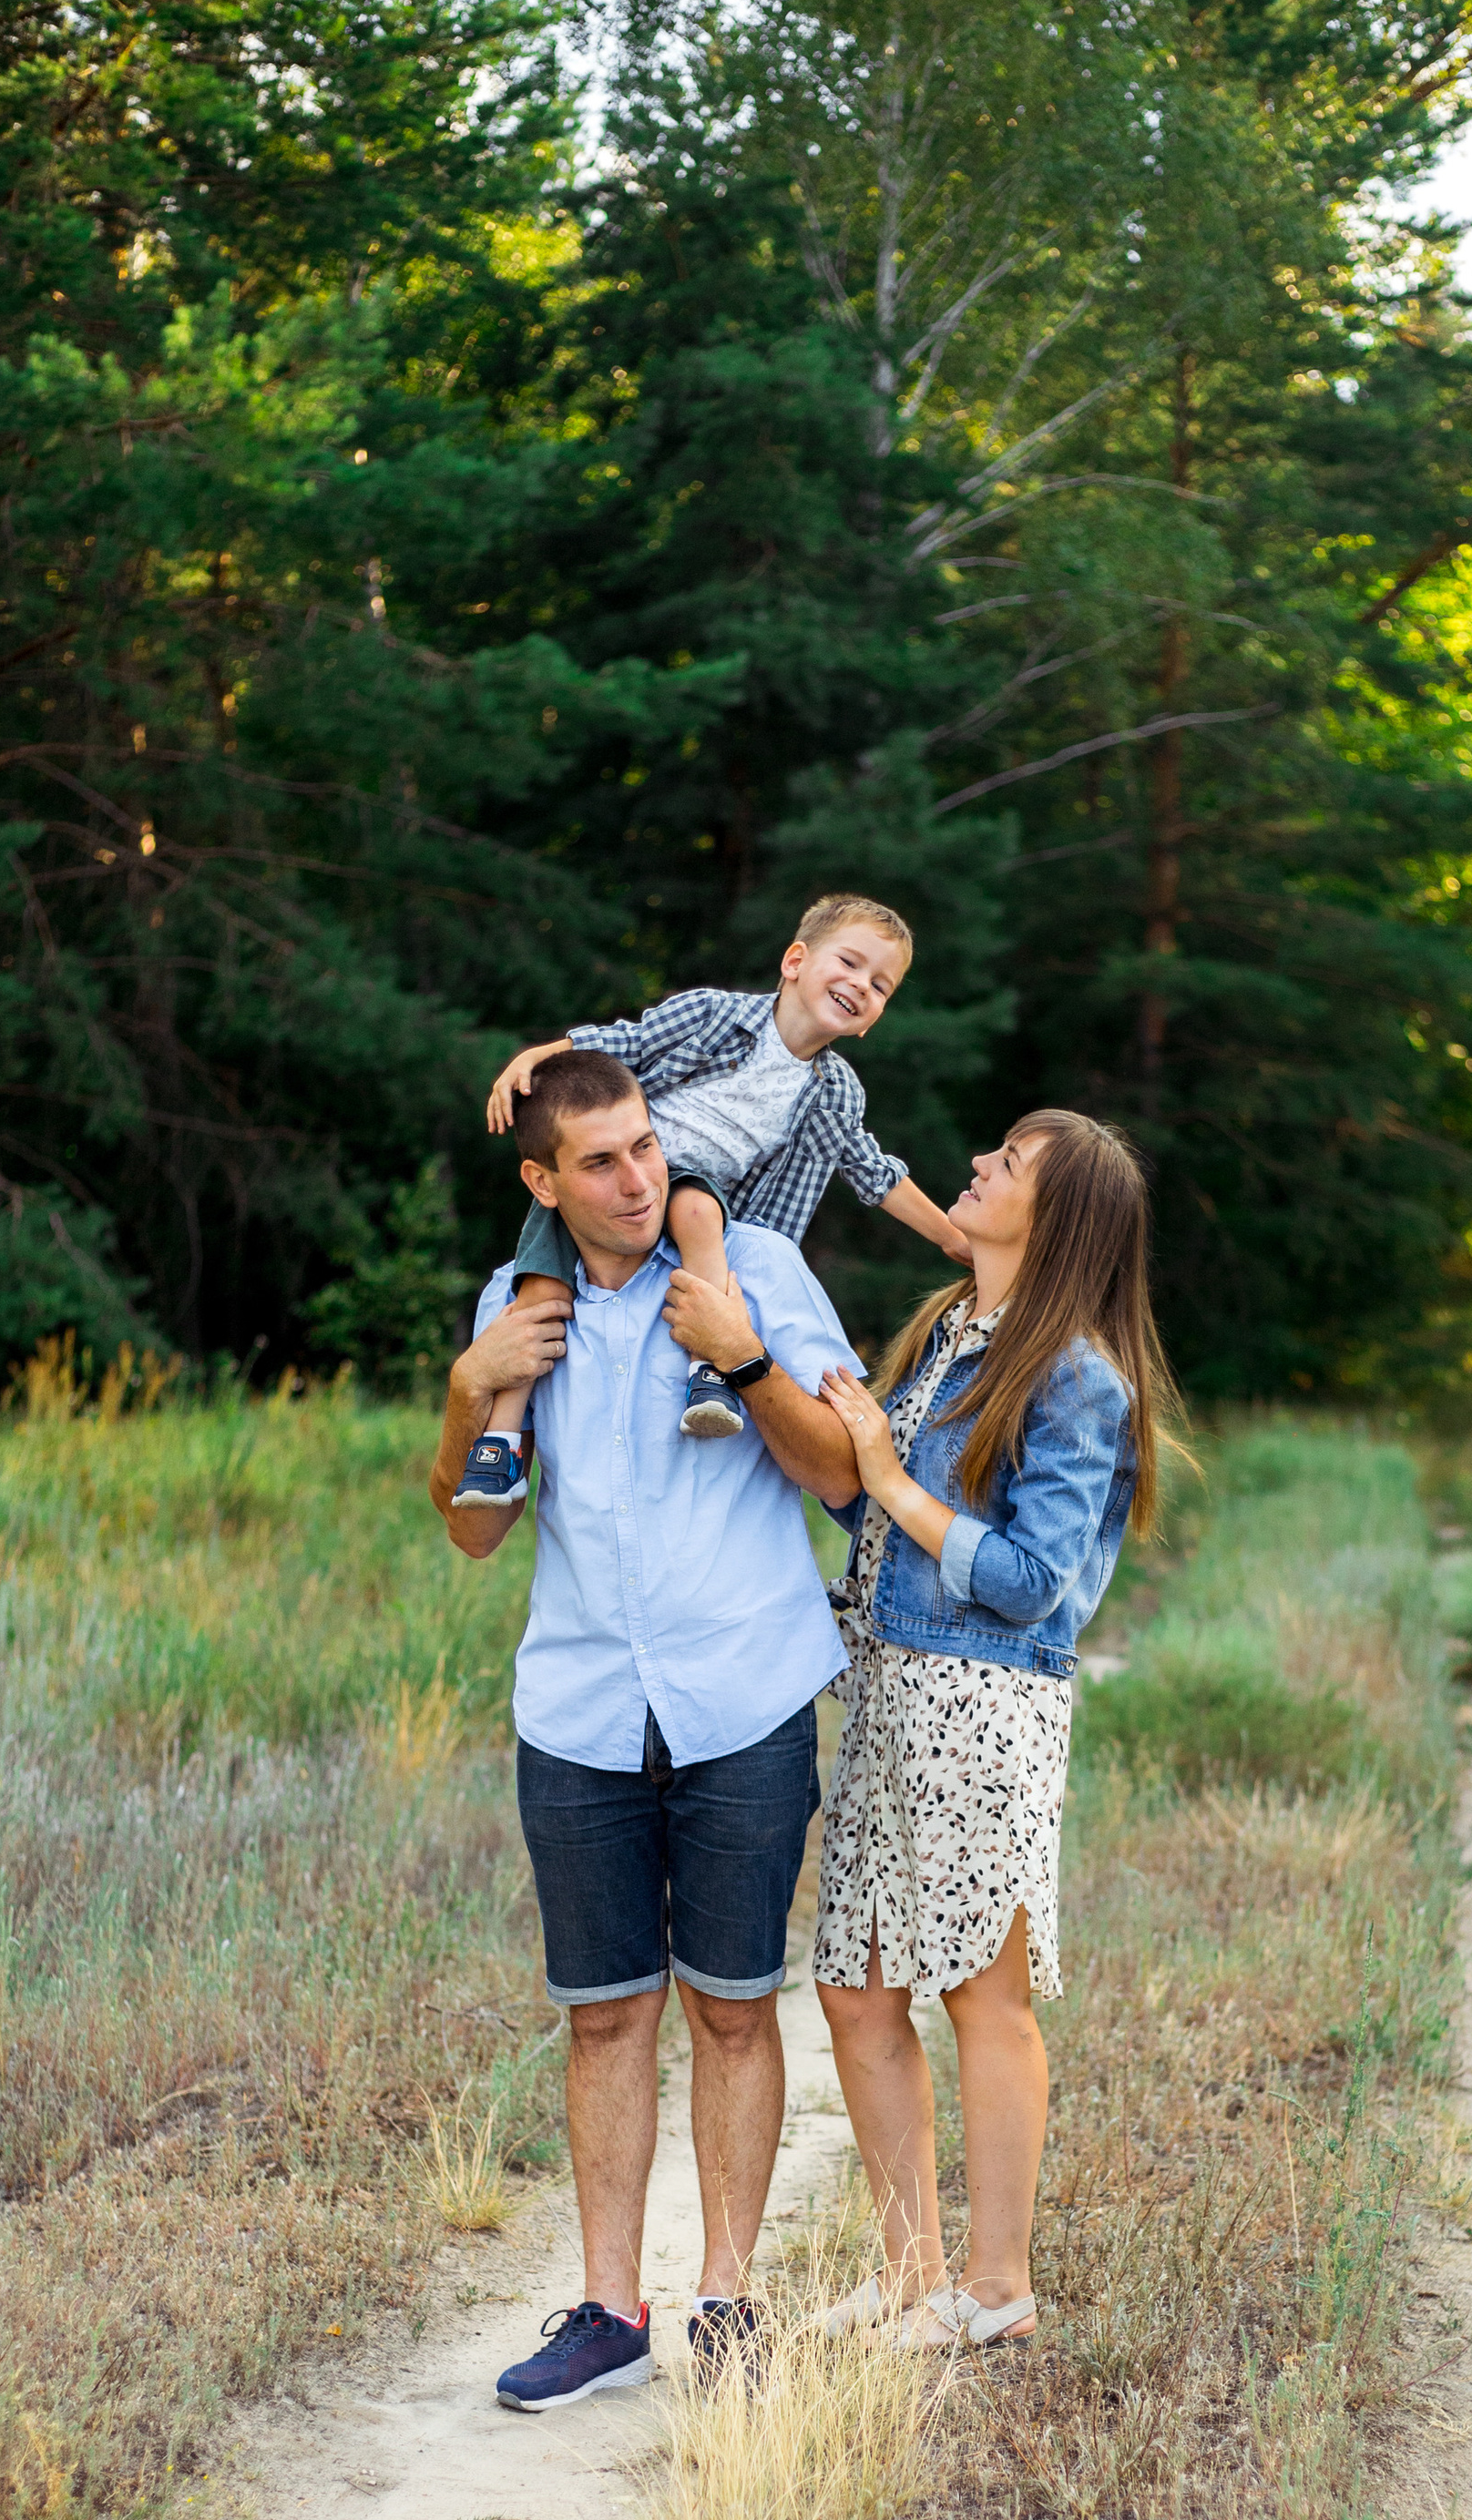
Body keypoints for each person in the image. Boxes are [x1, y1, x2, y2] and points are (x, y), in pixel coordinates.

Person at [429, 1046, 863, 2410]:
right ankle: (609, 2311)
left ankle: (728, 2301)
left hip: (740, 1696)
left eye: (645, 1151)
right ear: (542, 1181)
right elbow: (472, 1530)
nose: (637, 1181)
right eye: (602, 1162)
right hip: (580, 1711)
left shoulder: (760, 1272)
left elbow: (846, 1474)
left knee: (732, 2009)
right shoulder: (521, 1305)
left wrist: (739, 1351)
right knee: (606, 2018)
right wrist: (464, 1388)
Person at [811, 1109, 1174, 2351]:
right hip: (884, 1691)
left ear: (1056, 1215)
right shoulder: (945, 1330)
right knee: (855, 1986)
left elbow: (1028, 1579)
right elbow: (862, 1506)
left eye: (1008, 1164)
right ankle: (911, 2270)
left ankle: (1000, 2284)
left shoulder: (1079, 1377)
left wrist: (890, 1474)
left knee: (983, 1994)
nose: (975, 1165)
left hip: (984, 1706)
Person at [449, 895, 969, 1512]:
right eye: (851, 963)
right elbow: (629, 1044)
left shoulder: (836, 1094)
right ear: (796, 960)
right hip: (635, 1167)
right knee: (537, 1297)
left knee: (696, 1215)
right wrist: (543, 1053)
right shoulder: (713, 1014)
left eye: (880, 985)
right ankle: (497, 1451)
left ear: (872, 1018)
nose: (861, 985)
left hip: (702, 1195)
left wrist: (950, 1238)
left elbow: (873, 1172)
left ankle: (709, 1370)